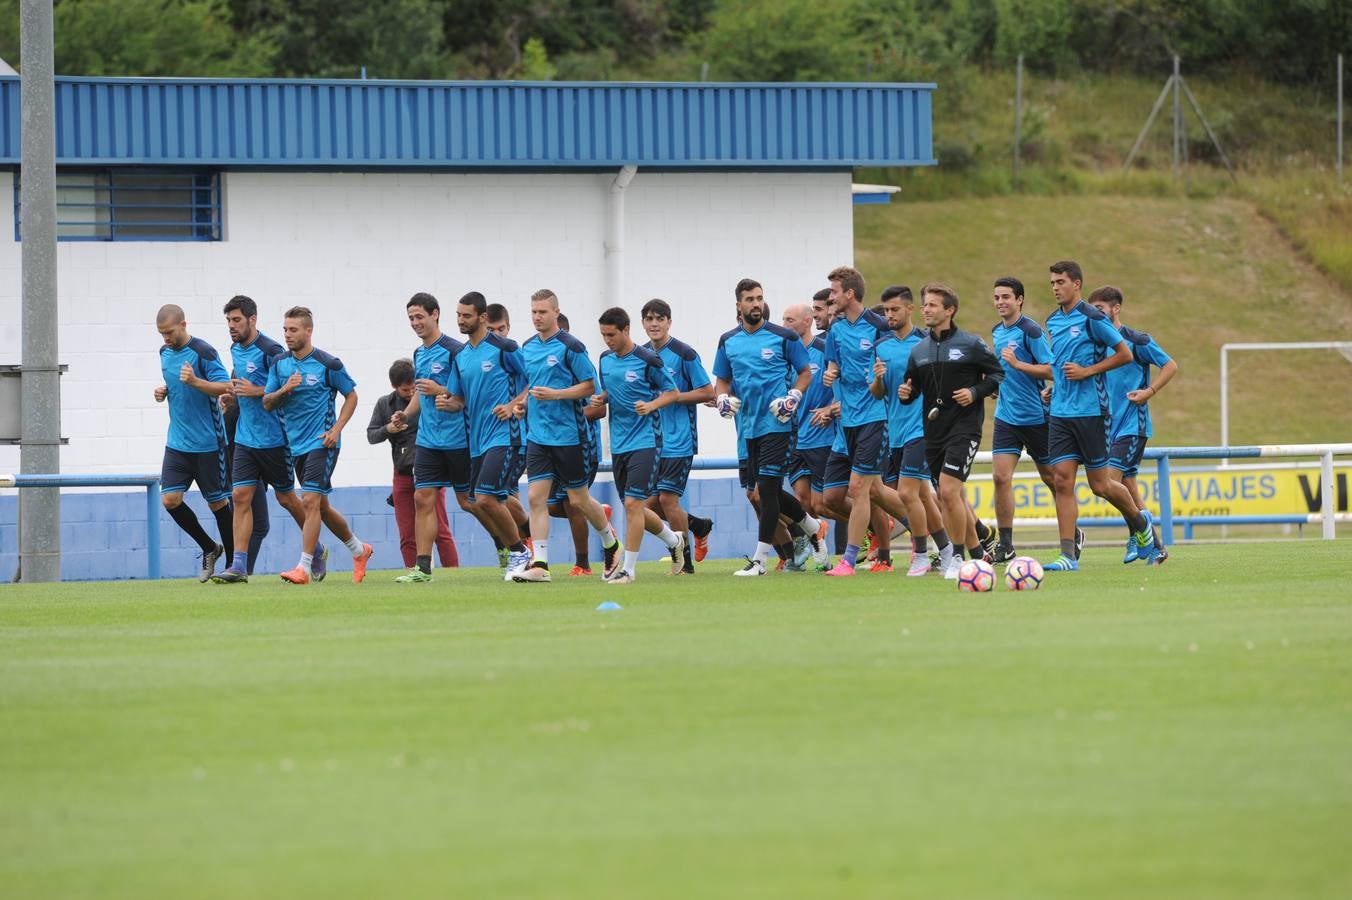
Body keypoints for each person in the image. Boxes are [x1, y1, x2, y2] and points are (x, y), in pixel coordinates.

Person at [1041, 261, 1160, 571]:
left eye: (1061, 282)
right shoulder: (1052, 321)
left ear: (1076, 284)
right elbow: (1060, 362)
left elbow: (1124, 354)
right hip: (1061, 414)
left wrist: (1087, 372)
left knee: (1101, 485)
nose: (1055, 287)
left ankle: (1140, 523)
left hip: (1093, 413)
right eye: (1052, 282)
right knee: (1062, 480)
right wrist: (1054, 386)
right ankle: (1068, 556)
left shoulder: (1093, 318)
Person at [712, 278, 821, 576]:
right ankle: (813, 527)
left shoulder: (783, 336)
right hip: (746, 429)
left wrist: (793, 396)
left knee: (767, 491)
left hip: (778, 424)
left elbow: (805, 373)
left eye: (759, 298)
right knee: (757, 494)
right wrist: (722, 398)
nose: (756, 303)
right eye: (749, 299)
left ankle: (760, 561)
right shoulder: (728, 341)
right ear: (739, 305)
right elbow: (721, 380)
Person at [512, 289, 622, 582]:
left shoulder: (571, 346)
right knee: (536, 497)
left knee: (579, 500)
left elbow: (590, 387)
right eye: (534, 312)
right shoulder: (527, 347)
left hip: (570, 437)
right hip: (538, 437)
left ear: (556, 313)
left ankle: (611, 543)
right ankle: (541, 565)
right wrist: (523, 405)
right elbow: (532, 386)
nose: (537, 317)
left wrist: (556, 395)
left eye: (543, 312)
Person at [898, 284, 1004, 579]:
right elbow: (913, 386)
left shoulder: (970, 344)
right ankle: (978, 554)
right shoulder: (918, 350)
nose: (926, 310)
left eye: (932, 305)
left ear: (949, 310)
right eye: (924, 305)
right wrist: (906, 392)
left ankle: (956, 557)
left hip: (965, 428)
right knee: (947, 497)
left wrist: (974, 391)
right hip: (933, 431)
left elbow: (997, 375)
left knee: (948, 490)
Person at [263, 306, 374, 584]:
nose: (288, 335)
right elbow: (267, 402)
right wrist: (284, 389)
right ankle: (359, 550)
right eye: (285, 330)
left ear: (308, 331)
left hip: (322, 442)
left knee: (309, 500)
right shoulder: (279, 363)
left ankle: (303, 567)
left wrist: (336, 429)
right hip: (295, 446)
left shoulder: (328, 364)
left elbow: (351, 396)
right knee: (321, 506)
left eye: (293, 330)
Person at [213, 295, 314, 584]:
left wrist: (255, 391)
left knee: (287, 499)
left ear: (252, 319)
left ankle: (315, 548)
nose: (231, 326)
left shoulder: (272, 350)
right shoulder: (234, 348)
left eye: (236, 320)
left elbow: (287, 388)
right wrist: (230, 395)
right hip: (245, 439)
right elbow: (241, 382)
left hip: (275, 440)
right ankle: (239, 566)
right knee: (240, 497)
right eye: (228, 321)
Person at [437, 291, 532, 580]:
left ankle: (519, 551)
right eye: (458, 315)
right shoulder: (462, 356)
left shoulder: (505, 348)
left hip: (506, 435)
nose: (460, 321)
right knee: (481, 500)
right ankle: (527, 537)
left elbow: (534, 380)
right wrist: (446, 402)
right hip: (477, 441)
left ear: (482, 317)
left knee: (488, 498)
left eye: (466, 316)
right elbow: (459, 399)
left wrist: (516, 403)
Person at [586, 307, 683, 585]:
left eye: (612, 334)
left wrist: (651, 405)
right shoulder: (605, 360)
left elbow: (673, 392)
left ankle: (628, 570)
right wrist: (601, 398)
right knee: (634, 507)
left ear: (626, 330)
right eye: (604, 335)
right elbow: (611, 389)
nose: (607, 340)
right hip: (618, 443)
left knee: (632, 504)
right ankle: (673, 539)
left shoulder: (647, 359)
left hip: (646, 441)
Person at [820, 266, 903, 576]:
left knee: (858, 489)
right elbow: (833, 365)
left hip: (875, 416)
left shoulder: (879, 326)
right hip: (848, 421)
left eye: (834, 292)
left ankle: (848, 561)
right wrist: (831, 374)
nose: (831, 297)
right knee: (874, 492)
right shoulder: (836, 329)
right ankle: (937, 532)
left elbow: (889, 370)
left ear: (849, 294)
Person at [1087, 285, 1178, 564]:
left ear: (1116, 309)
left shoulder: (1137, 340)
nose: (1095, 315)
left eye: (1100, 310)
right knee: (1128, 490)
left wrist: (1149, 392)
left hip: (1132, 426)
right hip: (1106, 428)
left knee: (1108, 484)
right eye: (1093, 311)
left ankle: (1137, 534)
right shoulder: (1097, 345)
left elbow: (1170, 364)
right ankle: (1156, 547)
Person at [386, 293, 470, 583]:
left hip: (458, 439)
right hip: (428, 440)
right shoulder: (419, 354)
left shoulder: (455, 351)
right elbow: (422, 393)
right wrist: (406, 416)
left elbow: (468, 392)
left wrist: (442, 391)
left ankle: (512, 546)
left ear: (435, 314)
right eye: (411, 318)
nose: (415, 323)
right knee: (423, 498)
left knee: (473, 502)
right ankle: (422, 568)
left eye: (419, 316)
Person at [872, 285, 952, 576]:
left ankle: (920, 553)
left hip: (923, 428)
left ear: (910, 309)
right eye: (885, 311)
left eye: (894, 309)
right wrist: (879, 380)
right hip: (896, 430)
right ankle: (946, 550)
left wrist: (918, 388)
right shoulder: (881, 346)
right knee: (922, 497)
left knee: (907, 493)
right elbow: (878, 393)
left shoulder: (927, 342)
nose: (889, 315)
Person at [153, 304, 233, 582]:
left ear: (184, 325)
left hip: (209, 443)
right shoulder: (163, 353)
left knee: (217, 504)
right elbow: (177, 386)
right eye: (161, 333)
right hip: (177, 443)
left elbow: (226, 386)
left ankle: (235, 565)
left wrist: (196, 381)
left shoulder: (204, 352)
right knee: (170, 499)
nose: (165, 338)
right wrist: (164, 392)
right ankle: (210, 547)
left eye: (169, 332)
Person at [640, 298, 716, 573]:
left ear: (669, 322)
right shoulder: (641, 355)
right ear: (643, 324)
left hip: (679, 440)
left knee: (667, 500)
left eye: (660, 318)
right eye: (649, 318)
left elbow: (708, 392)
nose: (655, 323)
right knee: (643, 507)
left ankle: (685, 562)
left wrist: (671, 398)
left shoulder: (684, 353)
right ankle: (697, 525)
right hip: (650, 442)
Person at [988, 277, 1057, 563]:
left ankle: (1072, 531)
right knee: (1000, 477)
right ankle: (1006, 544)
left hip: (1036, 418)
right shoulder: (996, 332)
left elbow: (1053, 370)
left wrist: (1018, 365)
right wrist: (994, 385)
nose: (1001, 302)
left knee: (1053, 480)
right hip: (1006, 418)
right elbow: (1003, 371)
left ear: (1019, 300)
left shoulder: (1031, 330)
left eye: (1006, 297)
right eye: (997, 297)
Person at [367, 358, 458, 573]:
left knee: (441, 530)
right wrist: (389, 428)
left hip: (431, 472)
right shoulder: (384, 404)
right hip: (403, 473)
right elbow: (372, 435)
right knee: (407, 533)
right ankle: (413, 572)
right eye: (405, 390)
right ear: (394, 387)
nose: (410, 394)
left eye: (412, 388)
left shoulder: (427, 399)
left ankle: (454, 573)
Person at [782, 295, 834, 570]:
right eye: (783, 320)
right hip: (793, 437)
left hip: (821, 436)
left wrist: (831, 409)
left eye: (790, 320)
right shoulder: (784, 354)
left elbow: (842, 383)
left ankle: (875, 527)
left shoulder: (825, 349)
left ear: (806, 321)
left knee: (823, 502)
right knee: (803, 501)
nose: (785, 325)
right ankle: (821, 556)